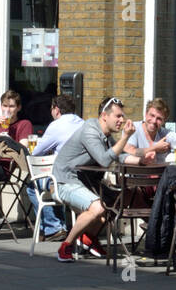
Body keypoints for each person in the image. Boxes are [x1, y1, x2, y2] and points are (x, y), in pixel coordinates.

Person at [51, 97, 144, 263]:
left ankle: (88, 238)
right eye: (118, 116)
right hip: (65, 181)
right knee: (98, 207)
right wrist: (125, 138)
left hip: (87, 182)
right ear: (104, 116)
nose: (121, 120)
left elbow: (119, 155)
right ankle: (66, 246)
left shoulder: (106, 135)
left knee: (126, 195)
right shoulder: (90, 131)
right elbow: (105, 160)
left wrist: (142, 160)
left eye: (122, 116)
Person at [27, 94, 83, 241]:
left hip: (63, 178)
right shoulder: (83, 123)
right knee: (50, 182)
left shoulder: (56, 125)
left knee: (33, 186)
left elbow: (36, 152)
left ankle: (54, 228)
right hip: (83, 177)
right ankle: (55, 227)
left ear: (56, 110)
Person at [126, 98, 176, 164]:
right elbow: (129, 151)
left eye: (159, 119)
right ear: (145, 114)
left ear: (164, 121)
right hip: (137, 176)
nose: (154, 121)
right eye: (152, 115)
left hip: (161, 176)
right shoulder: (133, 128)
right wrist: (155, 148)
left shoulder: (167, 134)